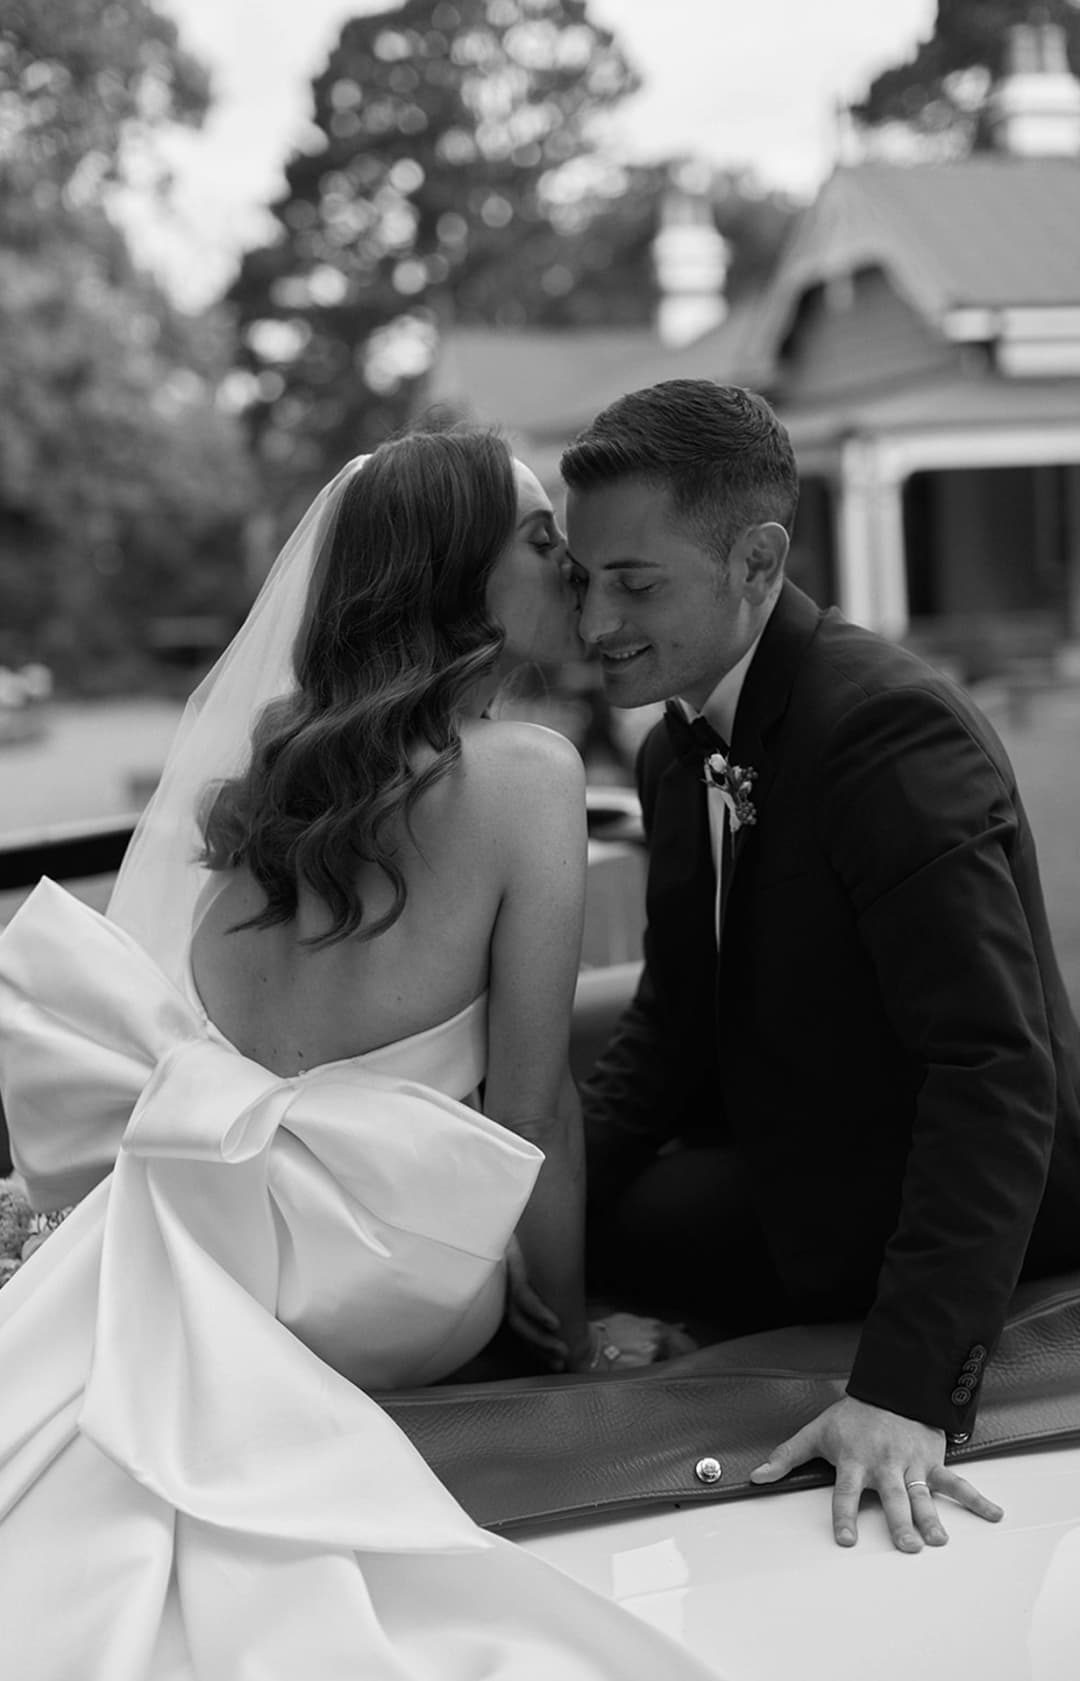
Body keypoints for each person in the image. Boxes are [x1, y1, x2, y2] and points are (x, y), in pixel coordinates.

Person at [0, 427, 714, 1680]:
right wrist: (572, 1329)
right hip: (384, 1286)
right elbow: (534, 1115)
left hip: (191, 1232)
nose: (575, 574)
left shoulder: (268, 784)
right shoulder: (528, 775)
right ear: (456, 582)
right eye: (540, 544)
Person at [562, 379, 1080, 1555]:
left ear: (757, 561)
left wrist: (906, 1389)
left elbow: (995, 1069)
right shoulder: (675, 750)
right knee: (553, 1242)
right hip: (795, 1156)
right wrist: (541, 1215)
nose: (594, 622)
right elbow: (675, 1018)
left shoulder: (890, 733)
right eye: (583, 579)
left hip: (943, 1198)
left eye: (634, 584)